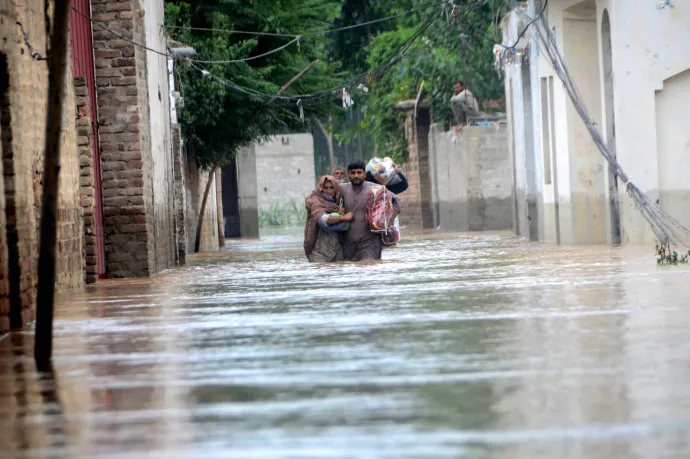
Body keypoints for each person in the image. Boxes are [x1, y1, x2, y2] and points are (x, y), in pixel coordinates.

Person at [341, 161, 401, 261]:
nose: (356, 176)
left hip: (370, 242)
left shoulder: (375, 188)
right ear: (348, 175)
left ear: (364, 174)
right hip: (347, 243)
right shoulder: (342, 189)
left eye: (359, 173)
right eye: (353, 173)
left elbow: (397, 201)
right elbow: (320, 194)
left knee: (368, 267)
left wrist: (388, 222)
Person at [304, 176, 354, 262]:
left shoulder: (338, 201)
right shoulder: (315, 200)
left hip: (337, 249)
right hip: (319, 251)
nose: (328, 191)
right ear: (320, 189)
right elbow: (322, 220)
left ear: (336, 189)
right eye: (325, 188)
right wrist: (344, 217)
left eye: (331, 188)